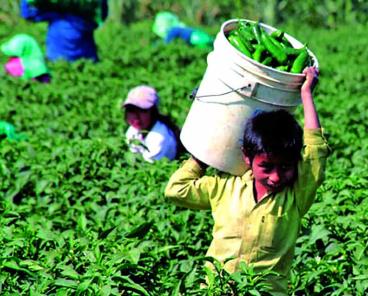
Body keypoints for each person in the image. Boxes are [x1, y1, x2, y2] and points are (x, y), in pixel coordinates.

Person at [164, 66, 330, 295]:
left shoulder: (296, 196)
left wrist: (306, 94)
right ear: (247, 158)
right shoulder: (225, 187)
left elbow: (314, 151)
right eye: (266, 167)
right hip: (216, 290)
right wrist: (203, 156)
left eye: (285, 167)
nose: (276, 177)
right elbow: (176, 190)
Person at [20, 0, 108, 62]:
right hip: (88, 61)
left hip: (58, 63)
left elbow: (27, 14)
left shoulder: (54, 13)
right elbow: (102, 14)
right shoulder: (87, 17)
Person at [123, 85, 182, 163]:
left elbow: (147, 169)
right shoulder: (132, 130)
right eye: (131, 110)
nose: (136, 116)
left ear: (153, 112)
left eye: (142, 110)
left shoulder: (159, 137)